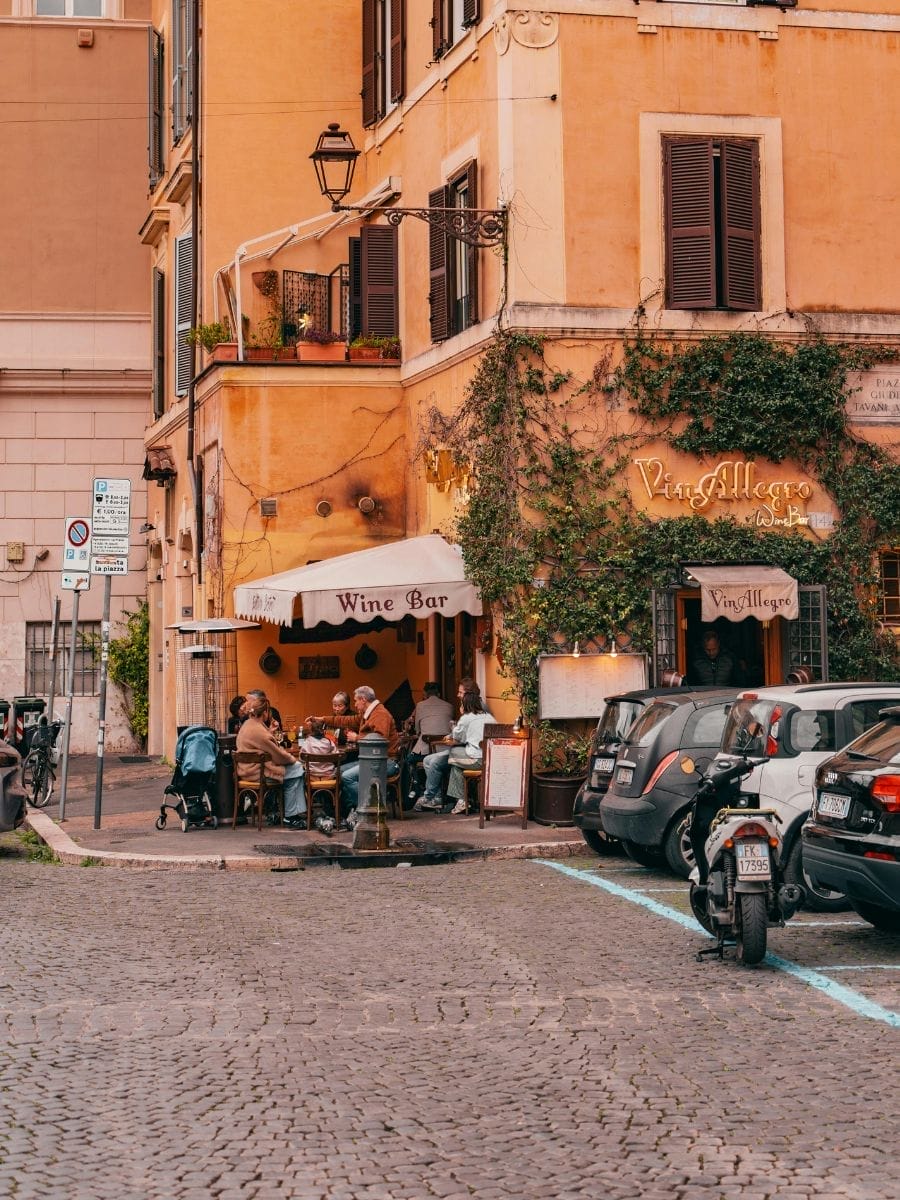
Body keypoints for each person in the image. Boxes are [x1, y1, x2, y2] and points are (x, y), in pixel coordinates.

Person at [311, 685, 400, 829]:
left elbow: (380, 740)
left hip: (385, 762)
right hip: (371, 759)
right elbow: (345, 720)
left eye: (356, 701)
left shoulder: (380, 714)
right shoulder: (369, 713)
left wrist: (357, 737)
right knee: (338, 771)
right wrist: (322, 719)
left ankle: (368, 809)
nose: (355, 704)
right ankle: (347, 811)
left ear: (363, 699)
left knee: (347, 777)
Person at [236, 696, 306, 828]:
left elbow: (260, 742)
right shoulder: (259, 731)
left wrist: (270, 732)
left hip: (248, 770)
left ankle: (290, 813)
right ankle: (291, 816)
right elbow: (278, 756)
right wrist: (292, 759)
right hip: (258, 773)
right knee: (297, 768)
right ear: (265, 713)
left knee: (294, 773)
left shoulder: (248, 725)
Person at [416, 678, 484, 812]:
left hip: (469, 752)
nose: (457, 695)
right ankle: (437, 797)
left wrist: (455, 735)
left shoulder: (476, 709)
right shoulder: (463, 707)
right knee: (427, 760)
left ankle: (429, 797)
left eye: (460, 692)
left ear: (468, 694)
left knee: (435, 762)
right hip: (462, 749)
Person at [444, 690, 495, 815]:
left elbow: (456, 737)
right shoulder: (490, 717)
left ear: (465, 704)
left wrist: (462, 715)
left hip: (477, 760)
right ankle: (461, 801)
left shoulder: (466, 718)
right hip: (493, 760)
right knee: (456, 767)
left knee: (453, 753)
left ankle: (461, 800)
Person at [406, 682, 454, 803]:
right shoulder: (449, 706)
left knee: (408, 760)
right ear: (438, 693)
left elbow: (418, 731)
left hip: (426, 750)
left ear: (425, 694)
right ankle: (437, 793)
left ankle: (420, 790)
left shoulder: (420, 706)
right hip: (446, 750)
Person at [297, 718, 338, 835]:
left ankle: (307, 811)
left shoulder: (307, 742)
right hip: (328, 777)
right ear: (324, 730)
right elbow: (335, 756)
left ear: (310, 730)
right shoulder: (329, 742)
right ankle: (333, 811)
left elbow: (301, 757)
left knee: (301, 777)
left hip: (313, 777)